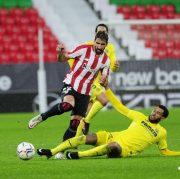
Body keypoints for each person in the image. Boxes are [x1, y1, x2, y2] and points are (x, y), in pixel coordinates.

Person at [37, 88, 180, 159]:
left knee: (111, 146)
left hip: (124, 149)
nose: (154, 113)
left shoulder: (161, 132)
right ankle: (52, 152)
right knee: (86, 138)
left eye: (157, 113)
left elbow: (164, 151)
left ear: (162, 118)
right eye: (154, 110)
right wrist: (108, 91)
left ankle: (78, 155)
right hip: (114, 136)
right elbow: (120, 107)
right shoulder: (139, 116)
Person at [28, 31, 110, 141]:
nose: (99, 46)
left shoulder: (106, 60)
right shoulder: (83, 49)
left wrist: (104, 80)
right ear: (94, 41)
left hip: (85, 92)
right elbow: (62, 59)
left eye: (102, 44)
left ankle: (61, 151)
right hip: (71, 83)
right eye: (98, 43)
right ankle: (42, 117)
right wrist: (60, 53)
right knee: (67, 105)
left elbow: (104, 79)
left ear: (106, 44)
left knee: (75, 124)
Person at [74, 24, 119, 136]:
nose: (101, 34)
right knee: (104, 100)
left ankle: (79, 129)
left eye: (104, 32)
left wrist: (115, 66)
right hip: (89, 80)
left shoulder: (110, 47)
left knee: (89, 105)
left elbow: (112, 63)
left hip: (101, 80)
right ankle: (84, 123)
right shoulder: (87, 45)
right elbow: (73, 59)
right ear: (95, 34)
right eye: (99, 32)